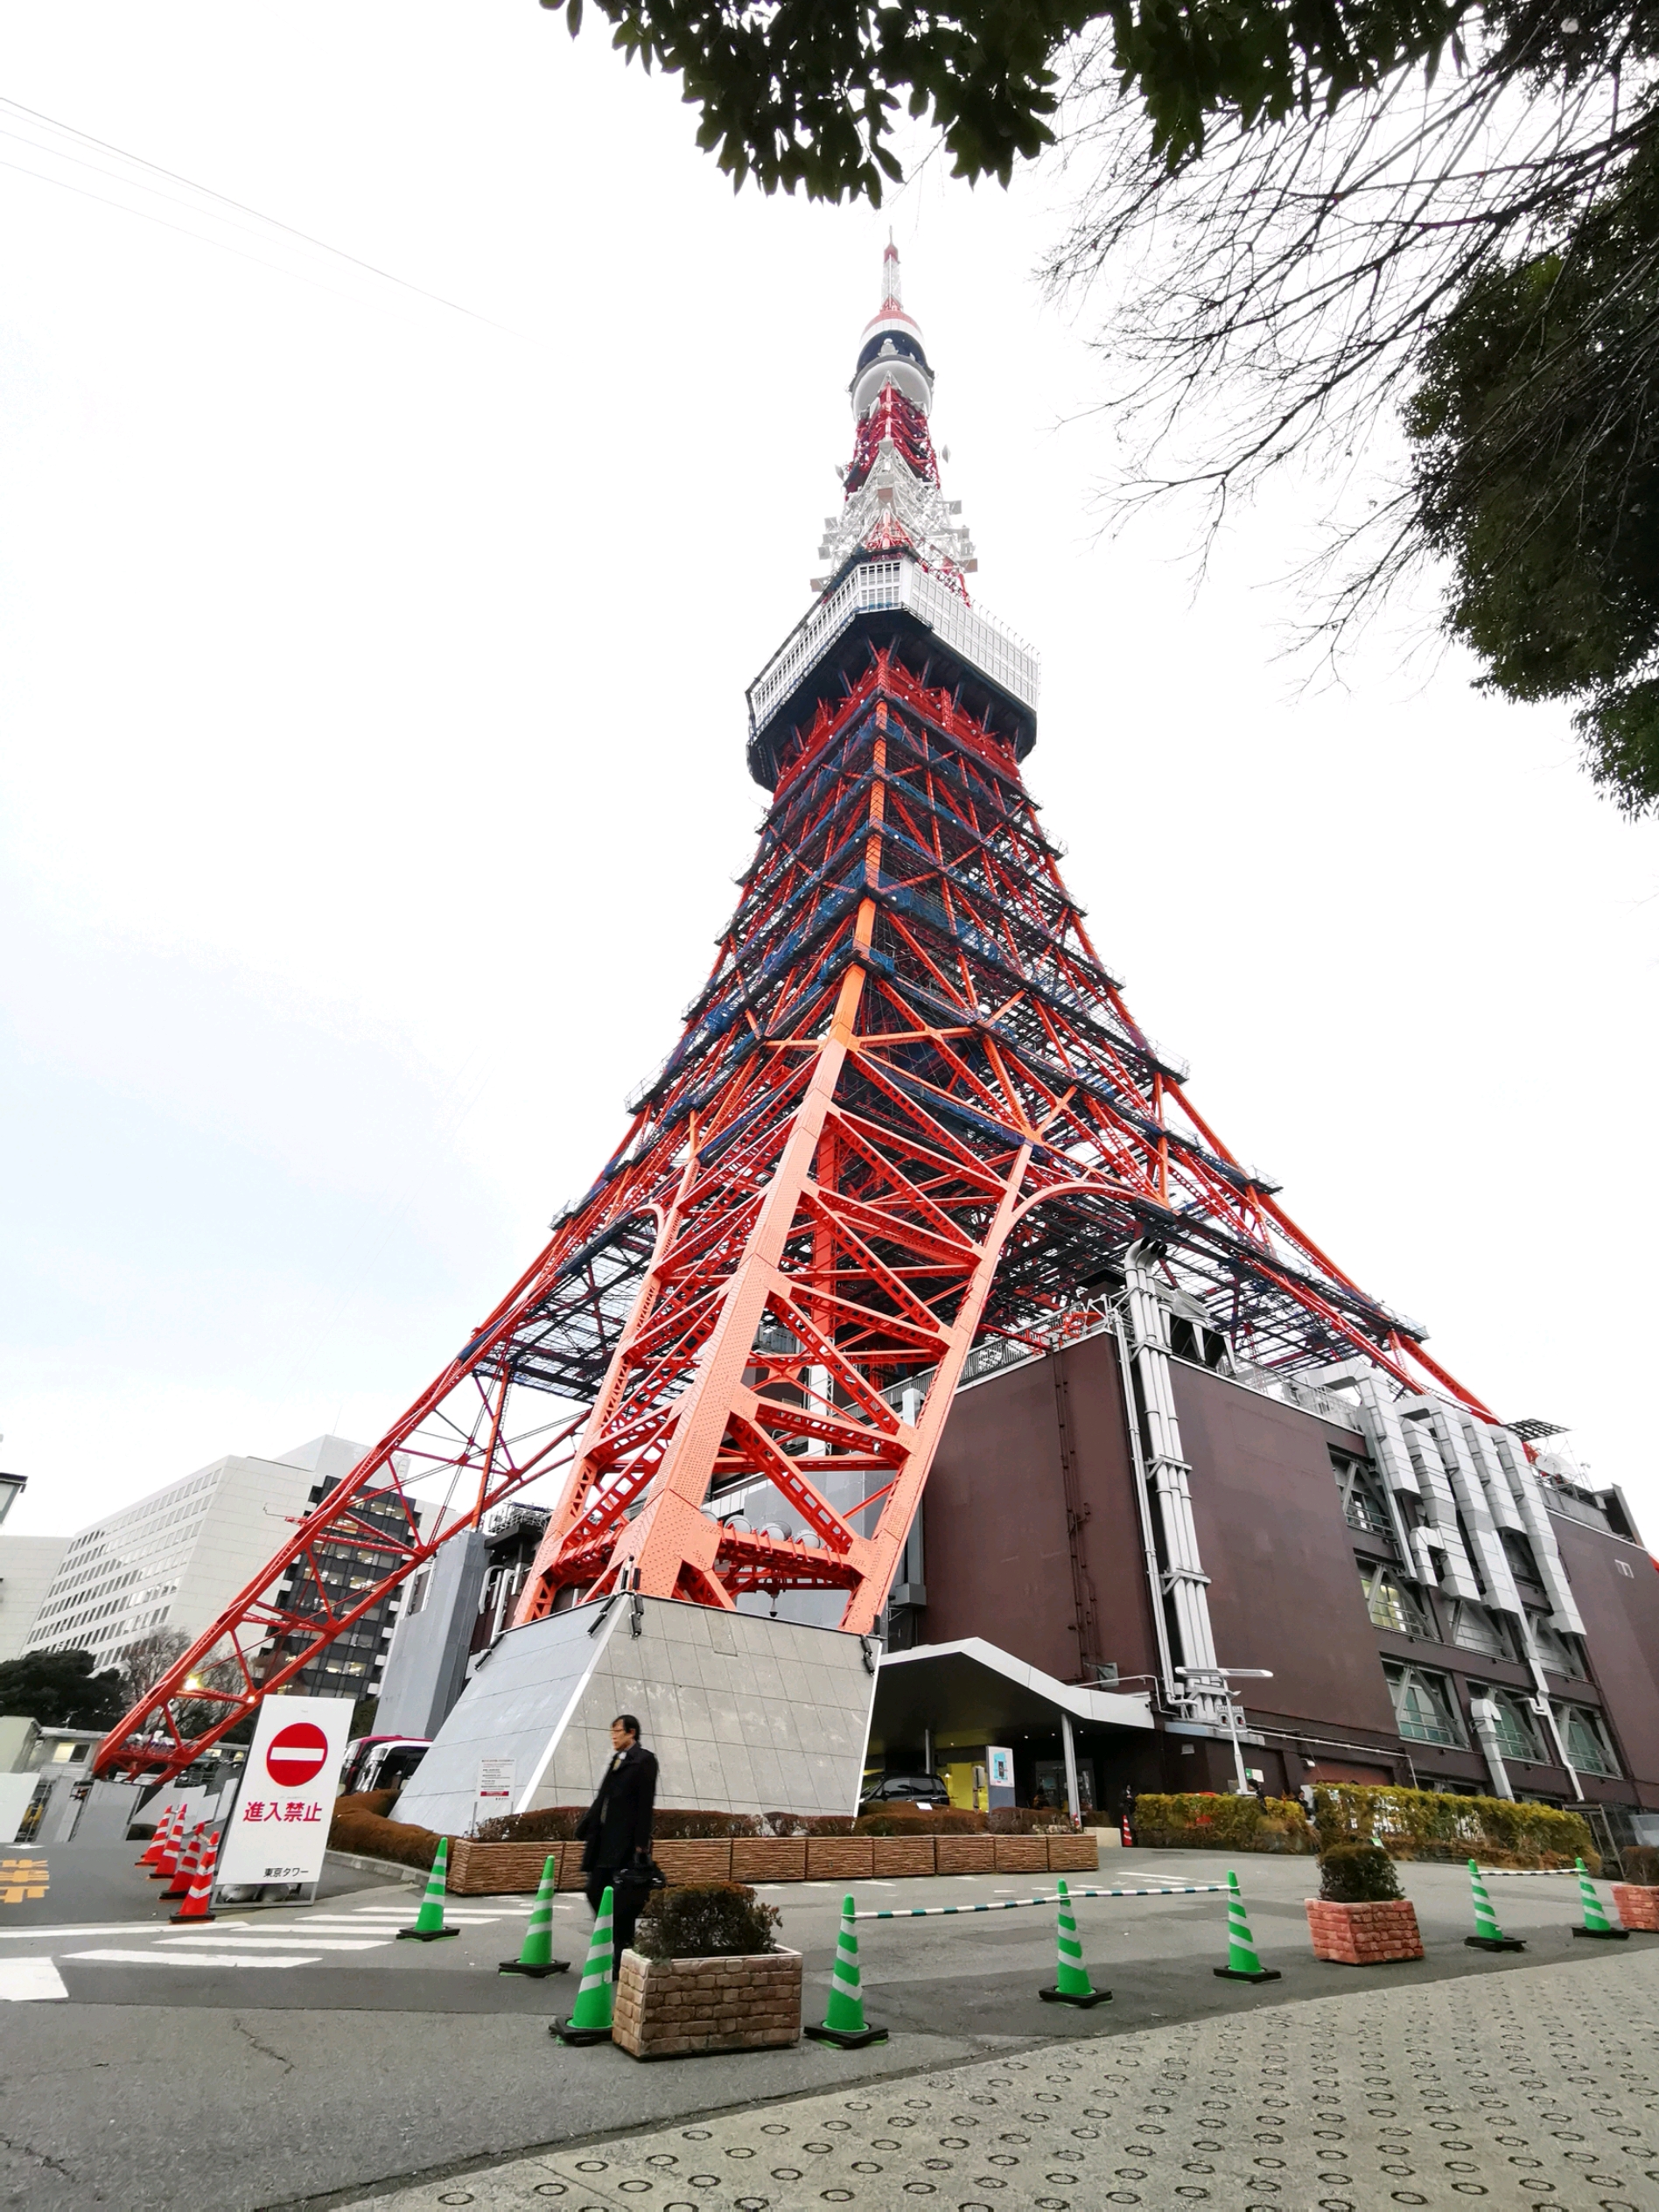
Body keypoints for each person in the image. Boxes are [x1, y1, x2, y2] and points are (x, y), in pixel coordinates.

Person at [575, 1712, 658, 1976]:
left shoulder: (644, 1760)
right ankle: (619, 1947)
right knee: (594, 1891)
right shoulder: (617, 1759)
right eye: (612, 1732)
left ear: (631, 1733)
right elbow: (604, 1796)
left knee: (622, 1899)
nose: (613, 1736)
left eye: (617, 1731)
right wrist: (587, 1823)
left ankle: (622, 1955)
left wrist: (641, 1846)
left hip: (624, 1843)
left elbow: (645, 1805)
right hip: (603, 1840)